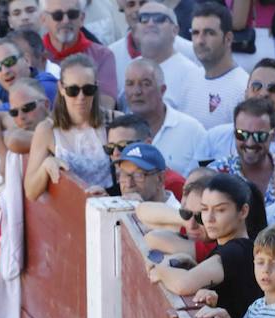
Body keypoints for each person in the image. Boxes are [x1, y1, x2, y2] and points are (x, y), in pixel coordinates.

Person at [149, 173, 263, 318]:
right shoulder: (230, 246)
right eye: (204, 209)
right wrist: (193, 265)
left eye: (220, 210)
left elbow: (183, 284)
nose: (209, 219)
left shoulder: (237, 250)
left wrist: (160, 271)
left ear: (243, 211)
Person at [25, 55, 113, 198]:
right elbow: (30, 192)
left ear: (96, 87)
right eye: (73, 90)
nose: (81, 97)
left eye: (88, 89)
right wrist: (46, 165)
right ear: (61, 88)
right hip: (69, 212)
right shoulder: (47, 130)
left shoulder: (114, 121)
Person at [203, 60, 275, 160]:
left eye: (273, 88)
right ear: (245, 93)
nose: (264, 93)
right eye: (256, 86)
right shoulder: (215, 139)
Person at [121, 58, 207, 174]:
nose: (137, 91)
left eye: (146, 84)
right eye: (130, 84)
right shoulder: (118, 132)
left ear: (162, 90)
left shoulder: (192, 130)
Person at [175, 4, 250, 129]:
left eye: (209, 33)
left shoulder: (243, 89)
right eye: (195, 33)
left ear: (228, 38)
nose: (200, 41)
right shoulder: (189, 79)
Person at [107, 0, 199, 92]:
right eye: (131, 4)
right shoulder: (111, 54)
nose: (137, 9)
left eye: (143, 3)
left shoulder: (191, 51)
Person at [122, 2, 203, 106]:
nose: (150, 23)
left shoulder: (192, 74)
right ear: (135, 31)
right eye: (144, 18)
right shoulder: (130, 67)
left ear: (175, 30)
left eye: (159, 18)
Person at [40, 0, 120, 97]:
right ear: (43, 19)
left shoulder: (102, 56)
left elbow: (106, 105)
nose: (65, 21)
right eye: (57, 15)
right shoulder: (35, 55)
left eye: (72, 14)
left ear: (82, 18)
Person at [211, 98, 275, 205]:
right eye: (242, 134)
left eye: (259, 136)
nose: (250, 143)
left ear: (274, 135)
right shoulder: (215, 173)